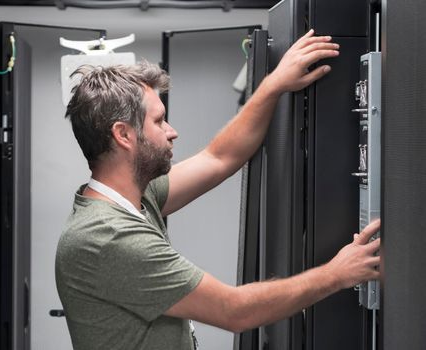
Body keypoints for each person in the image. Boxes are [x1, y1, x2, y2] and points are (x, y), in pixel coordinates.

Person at [55, 29, 381, 350]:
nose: (172, 132)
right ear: (123, 135)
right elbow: (234, 310)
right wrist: (337, 274)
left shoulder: (135, 199)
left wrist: (273, 85)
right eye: (158, 121)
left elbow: (220, 157)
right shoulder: (108, 237)